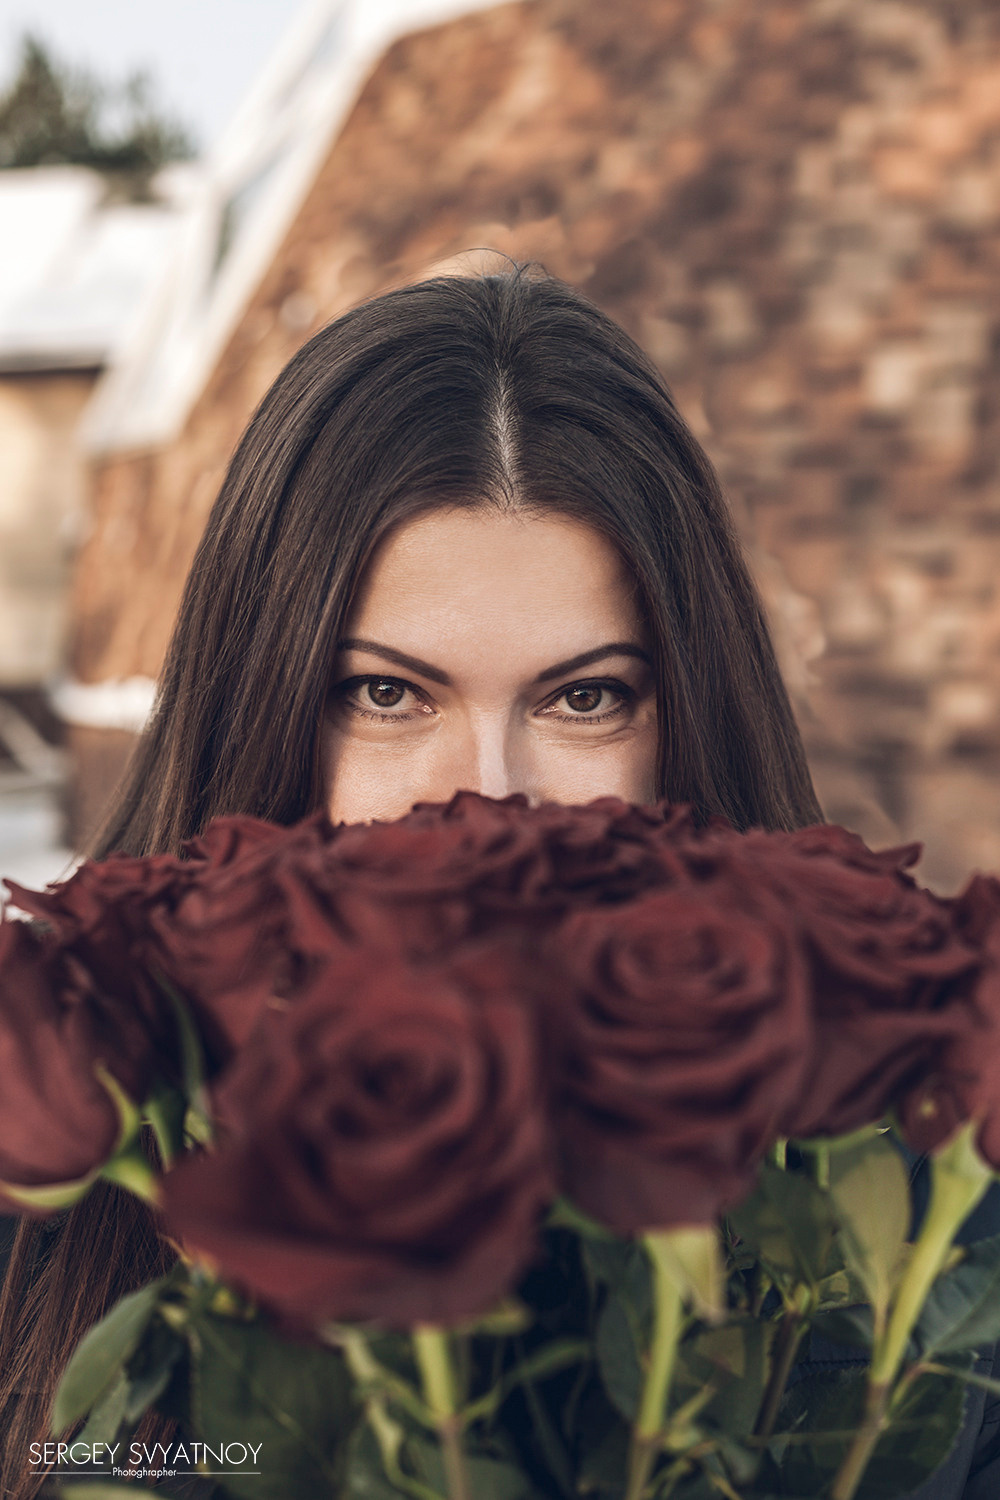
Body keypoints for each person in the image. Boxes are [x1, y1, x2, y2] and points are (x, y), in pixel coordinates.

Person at [0, 265, 989, 1497]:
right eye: (386, 694)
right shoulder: (50, 1215)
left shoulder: (909, 1275)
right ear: (262, 709)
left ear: (682, 722)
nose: (486, 801)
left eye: (583, 699)